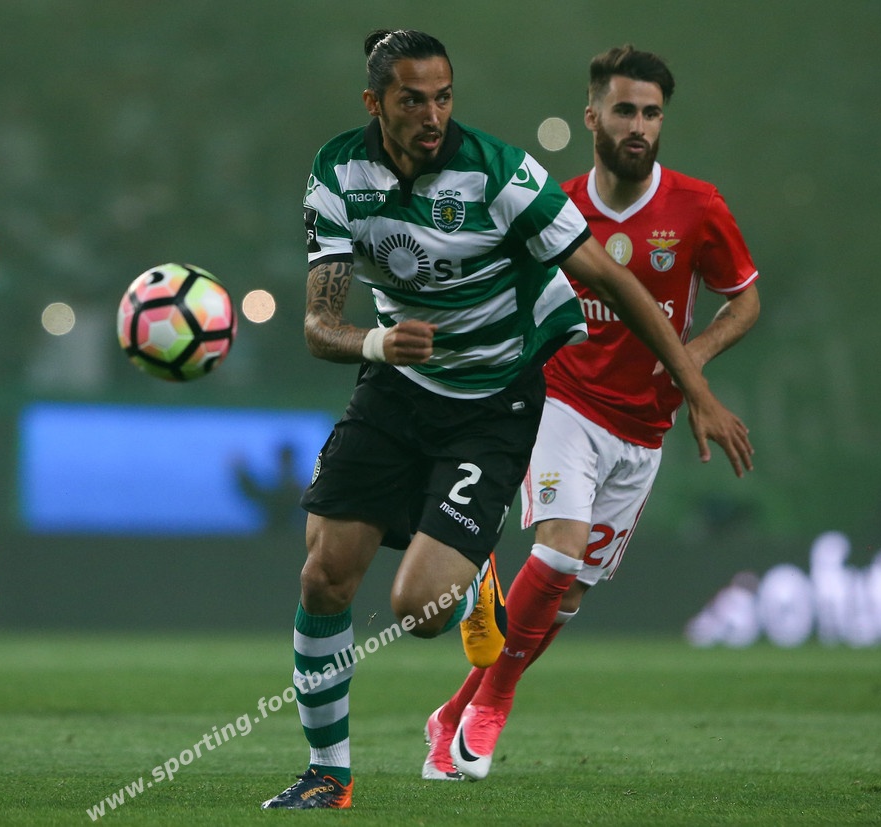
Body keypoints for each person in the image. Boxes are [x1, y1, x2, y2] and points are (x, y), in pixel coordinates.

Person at [262, 31, 753, 809]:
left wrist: (696, 385)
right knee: (323, 575)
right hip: (397, 385)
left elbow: (612, 279)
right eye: (412, 100)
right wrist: (380, 342)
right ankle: (329, 775)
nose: (432, 115)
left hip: (495, 399)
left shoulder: (500, 173)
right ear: (374, 103)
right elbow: (319, 327)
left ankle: (471, 582)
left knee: (418, 610)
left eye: (443, 97)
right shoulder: (337, 171)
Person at [427, 44, 761, 782]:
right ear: (592, 117)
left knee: (567, 593)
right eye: (625, 110)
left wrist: (693, 358)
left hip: (644, 430)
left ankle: (452, 712)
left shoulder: (698, 208)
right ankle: (495, 704)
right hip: (563, 400)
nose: (639, 126)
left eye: (652, 114)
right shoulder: (557, 207)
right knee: (559, 550)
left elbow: (745, 299)